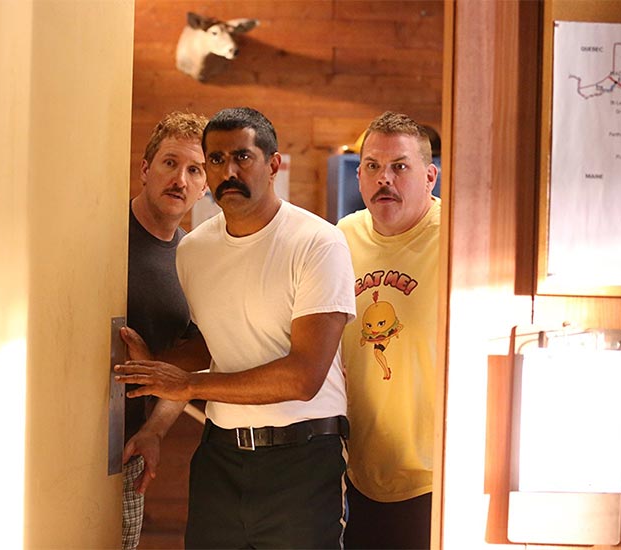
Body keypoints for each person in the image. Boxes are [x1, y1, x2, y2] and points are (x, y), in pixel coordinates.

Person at [116, 106, 356, 549]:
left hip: (303, 459)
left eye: (242, 157)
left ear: (273, 165)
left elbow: (304, 377)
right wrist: (156, 366)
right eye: (216, 159)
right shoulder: (194, 250)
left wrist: (188, 384)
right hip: (220, 457)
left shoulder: (319, 243)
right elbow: (209, 341)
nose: (229, 172)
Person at [337, 112, 441, 549]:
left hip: (436, 476)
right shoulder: (342, 237)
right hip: (359, 472)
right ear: (359, 176)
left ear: (430, 176)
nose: (385, 179)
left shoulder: (456, 237)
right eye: (373, 166)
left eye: (400, 166)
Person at [121, 111, 208, 550]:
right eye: (170, 163)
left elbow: (188, 367)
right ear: (145, 169)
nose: (180, 179)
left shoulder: (194, 261)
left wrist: (154, 430)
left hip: (128, 449)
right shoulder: (100, 234)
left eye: (195, 170)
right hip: (59, 435)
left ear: (204, 187)